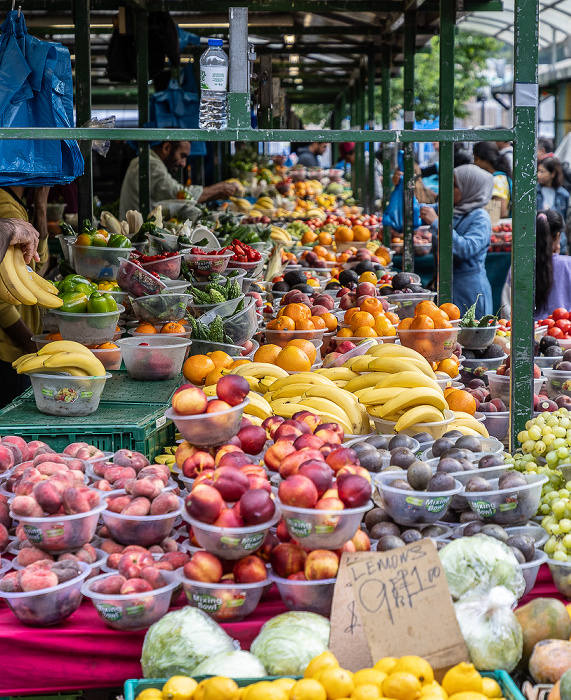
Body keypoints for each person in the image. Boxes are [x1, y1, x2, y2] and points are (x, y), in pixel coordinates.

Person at [419, 164, 494, 317]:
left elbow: (466, 249)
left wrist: (437, 225)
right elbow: (418, 210)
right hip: (446, 284)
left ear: (469, 188)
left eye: (454, 186)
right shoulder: (449, 209)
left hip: (469, 291)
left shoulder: (480, 218)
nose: (448, 189)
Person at [0, 187, 49, 409]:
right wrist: (30, 343)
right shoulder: (6, 207)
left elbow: (38, 263)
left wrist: (41, 206)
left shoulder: (15, 203)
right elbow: (2, 296)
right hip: (11, 351)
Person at [119, 140, 238, 219]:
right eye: (182, 156)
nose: (184, 164)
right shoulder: (151, 164)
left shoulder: (144, 160)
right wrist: (220, 188)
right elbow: (178, 194)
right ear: (166, 148)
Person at [501, 211, 571, 320]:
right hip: (563, 333)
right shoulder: (568, 264)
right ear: (557, 236)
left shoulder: (519, 265)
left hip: (527, 334)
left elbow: (507, 311)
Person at [537, 156, 569, 254]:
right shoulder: (533, 193)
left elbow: (565, 220)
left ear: (553, 173)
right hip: (539, 240)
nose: (538, 175)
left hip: (559, 241)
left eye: (542, 171)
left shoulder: (563, 194)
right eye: (538, 171)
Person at [473, 141, 512, 218]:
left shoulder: (497, 180)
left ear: (485, 160)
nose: (475, 163)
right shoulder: (495, 177)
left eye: (476, 159)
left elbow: (500, 212)